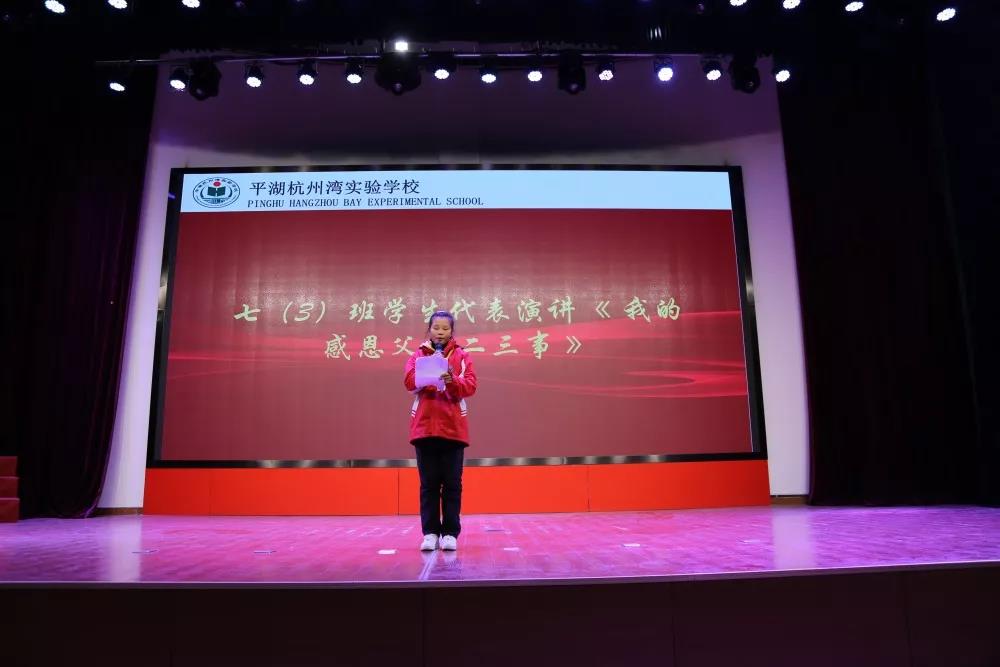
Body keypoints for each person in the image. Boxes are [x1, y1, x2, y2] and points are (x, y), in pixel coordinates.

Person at [403, 310, 478, 551]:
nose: (440, 332)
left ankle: (450, 534)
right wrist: (426, 377)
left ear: (451, 331)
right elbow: (409, 382)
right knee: (429, 485)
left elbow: (470, 386)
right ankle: (430, 533)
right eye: (436, 328)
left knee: (452, 484)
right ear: (430, 329)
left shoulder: (462, 355)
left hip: (453, 429)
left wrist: (451, 380)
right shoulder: (418, 355)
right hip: (425, 428)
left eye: (445, 328)